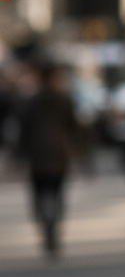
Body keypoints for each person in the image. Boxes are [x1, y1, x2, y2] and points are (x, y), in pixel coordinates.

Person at [16, 63, 82, 258]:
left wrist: (19, 155)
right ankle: (53, 227)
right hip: (58, 154)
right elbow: (74, 128)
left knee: (40, 194)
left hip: (38, 156)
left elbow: (23, 132)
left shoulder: (30, 101)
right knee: (57, 193)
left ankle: (47, 226)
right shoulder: (63, 99)